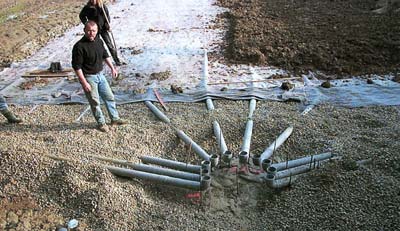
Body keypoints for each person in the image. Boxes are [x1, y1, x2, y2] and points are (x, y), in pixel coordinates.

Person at [72, 20, 127, 132]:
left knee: (109, 97)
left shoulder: (99, 40)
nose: (91, 33)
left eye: (94, 31)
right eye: (89, 31)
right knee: (95, 101)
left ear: (97, 31)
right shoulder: (79, 46)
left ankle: (114, 118)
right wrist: (84, 82)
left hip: (100, 75)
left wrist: (112, 68)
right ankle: (101, 123)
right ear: (84, 30)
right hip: (89, 77)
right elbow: (77, 67)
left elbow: (105, 55)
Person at [79, 0, 125, 66]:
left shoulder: (102, 6)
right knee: (96, 46)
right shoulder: (88, 7)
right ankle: (97, 61)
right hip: (94, 30)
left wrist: (107, 26)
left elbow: (107, 17)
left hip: (103, 28)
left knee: (110, 45)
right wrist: (87, 24)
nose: (93, 0)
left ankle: (117, 60)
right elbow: (81, 16)